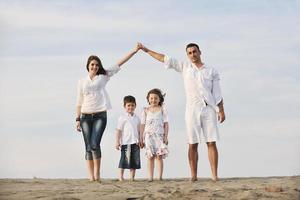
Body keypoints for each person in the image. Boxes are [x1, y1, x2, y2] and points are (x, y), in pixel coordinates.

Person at [138, 42, 225, 181]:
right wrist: (147, 50)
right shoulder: (185, 67)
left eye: (194, 51)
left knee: (211, 142)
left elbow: (217, 93)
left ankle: (214, 175)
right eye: (189, 53)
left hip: (209, 109)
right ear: (187, 55)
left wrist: (221, 110)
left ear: (199, 52)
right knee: (192, 143)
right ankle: (193, 176)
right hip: (192, 110)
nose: (192, 54)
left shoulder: (211, 70)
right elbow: (164, 58)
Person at [75, 44, 140, 182]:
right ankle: (91, 176)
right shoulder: (81, 81)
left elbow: (119, 63)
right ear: (88, 66)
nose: (94, 67)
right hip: (85, 116)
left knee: (94, 144)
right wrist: (77, 119)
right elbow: (79, 101)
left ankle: (97, 173)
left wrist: (134, 51)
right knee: (87, 146)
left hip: (100, 115)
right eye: (92, 65)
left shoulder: (103, 76)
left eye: (97, 65)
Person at [140, 88, 169, 181]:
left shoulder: (162, 109)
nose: (153, 100)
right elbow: (142, 124)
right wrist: (141, 138)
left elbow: (166, 124)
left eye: (156, 98)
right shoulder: (145, 110)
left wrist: (165, 136)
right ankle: (150, 177)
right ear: (148, 99)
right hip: (148, 136)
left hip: (159, 136)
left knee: (159, 156)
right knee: (150, 156)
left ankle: (159, 177)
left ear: (159, 99)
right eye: (151, 98)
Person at [115, 95, 141, 181]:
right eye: (128, 105)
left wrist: (141, 140)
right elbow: (118, 130)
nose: (130, 107)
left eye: (132, 105)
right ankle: (120, 177)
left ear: (135, 106)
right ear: (124, 106)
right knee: (123, 159)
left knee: (134, 160)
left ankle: (132, 177)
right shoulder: (122, 118)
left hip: (135, 142)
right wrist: (117, 141)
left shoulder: (137, 118)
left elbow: (139, 131)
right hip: (125, 142)